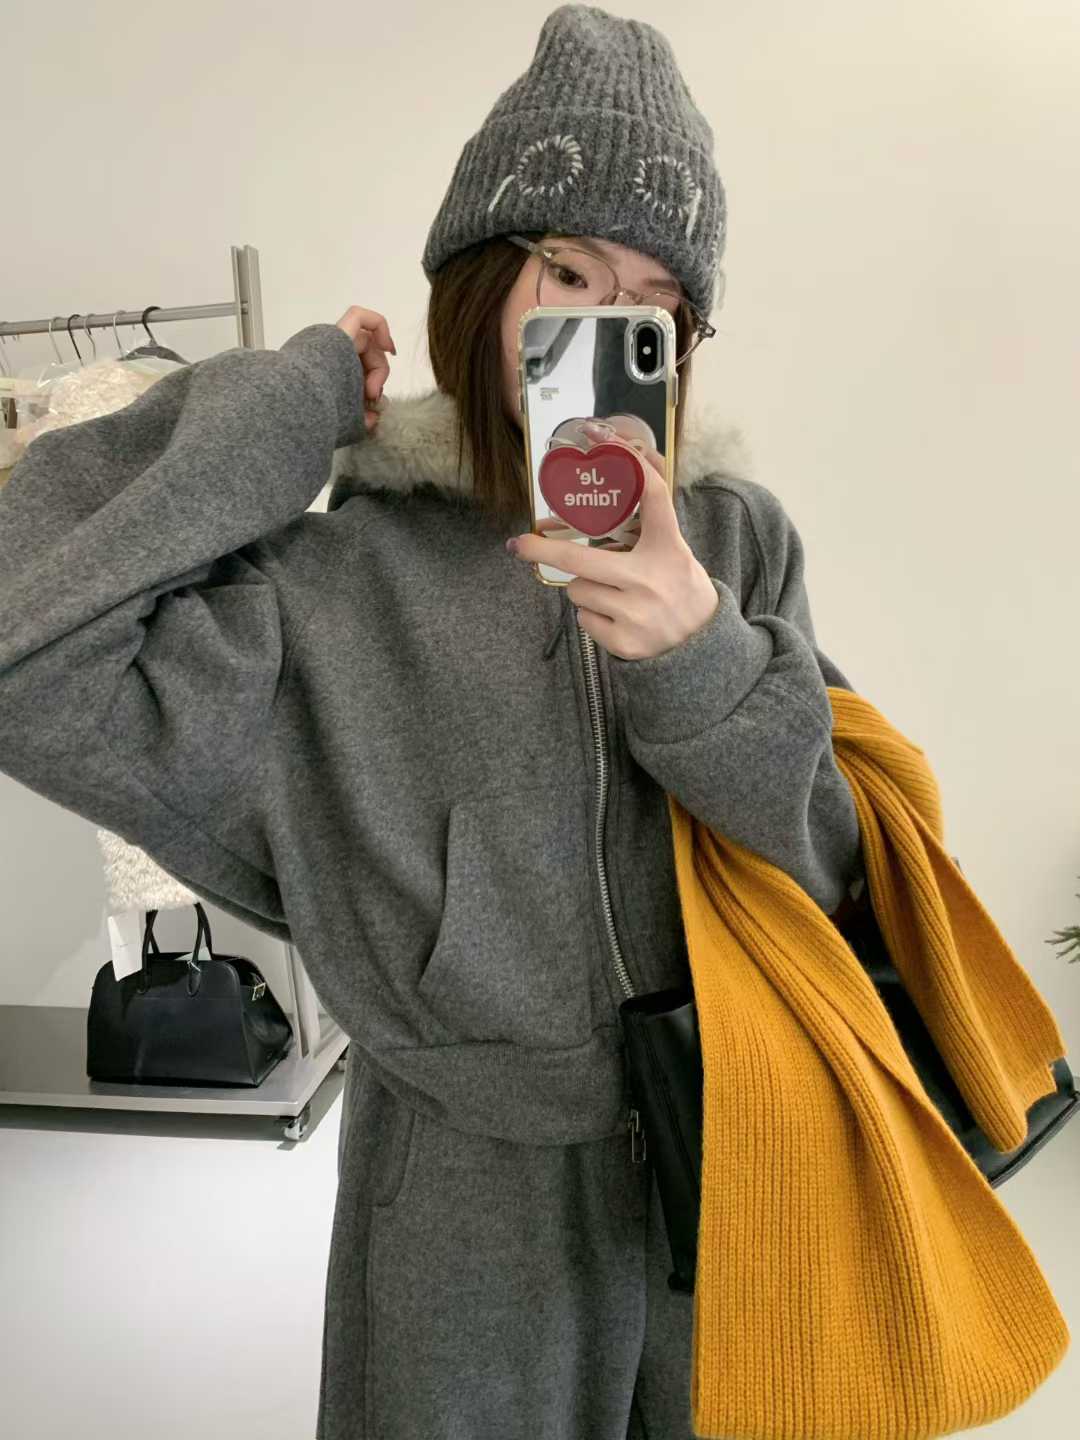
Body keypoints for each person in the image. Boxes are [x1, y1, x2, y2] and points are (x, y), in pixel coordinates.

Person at [0, 6, 864, 1437]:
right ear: (479, 276)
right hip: (459, 1219)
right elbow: (24, 649)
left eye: (651, 303)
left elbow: (832, 870)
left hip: (734, 1180)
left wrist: (699, 659)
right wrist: (287, 408)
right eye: (568, 271)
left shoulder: (733, 546)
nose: (606, 325)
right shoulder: (336, 584)